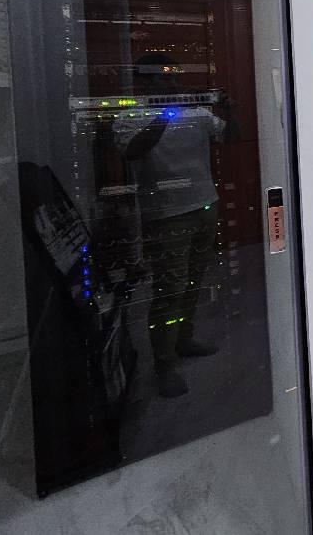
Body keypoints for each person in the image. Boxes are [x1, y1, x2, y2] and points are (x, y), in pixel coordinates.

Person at [115, 53, 238, 398]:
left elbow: (230, 137)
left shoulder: (196, 113)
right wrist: (165, 114)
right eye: (163, 80)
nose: (172, 85)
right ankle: (164, 363)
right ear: (143, 83)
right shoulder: (129, 116)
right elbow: (132, 152)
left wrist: (231, 110)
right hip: (165, 215)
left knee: (194, 280)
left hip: (204, 205)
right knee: (169, 287)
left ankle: (183, 339)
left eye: (174, 78)